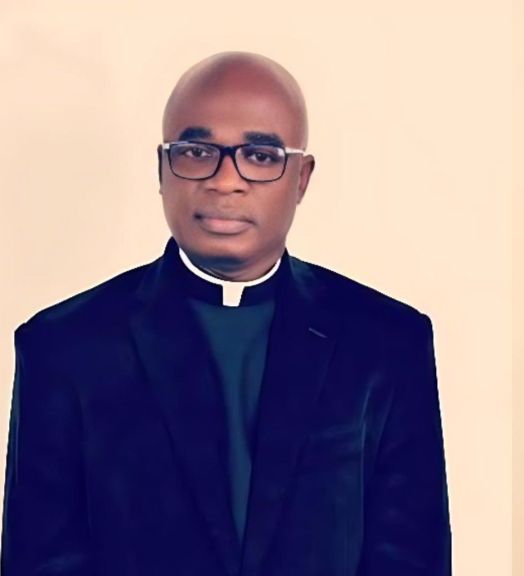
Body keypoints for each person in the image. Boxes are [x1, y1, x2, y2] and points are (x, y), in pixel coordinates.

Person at [2, 52, 450, 576]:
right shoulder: (65, 348)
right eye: (196, 151)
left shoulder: (386, 343)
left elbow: (411, 559)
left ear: (301, 179)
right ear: (162, 169)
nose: (225, 181)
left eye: (260, 156)